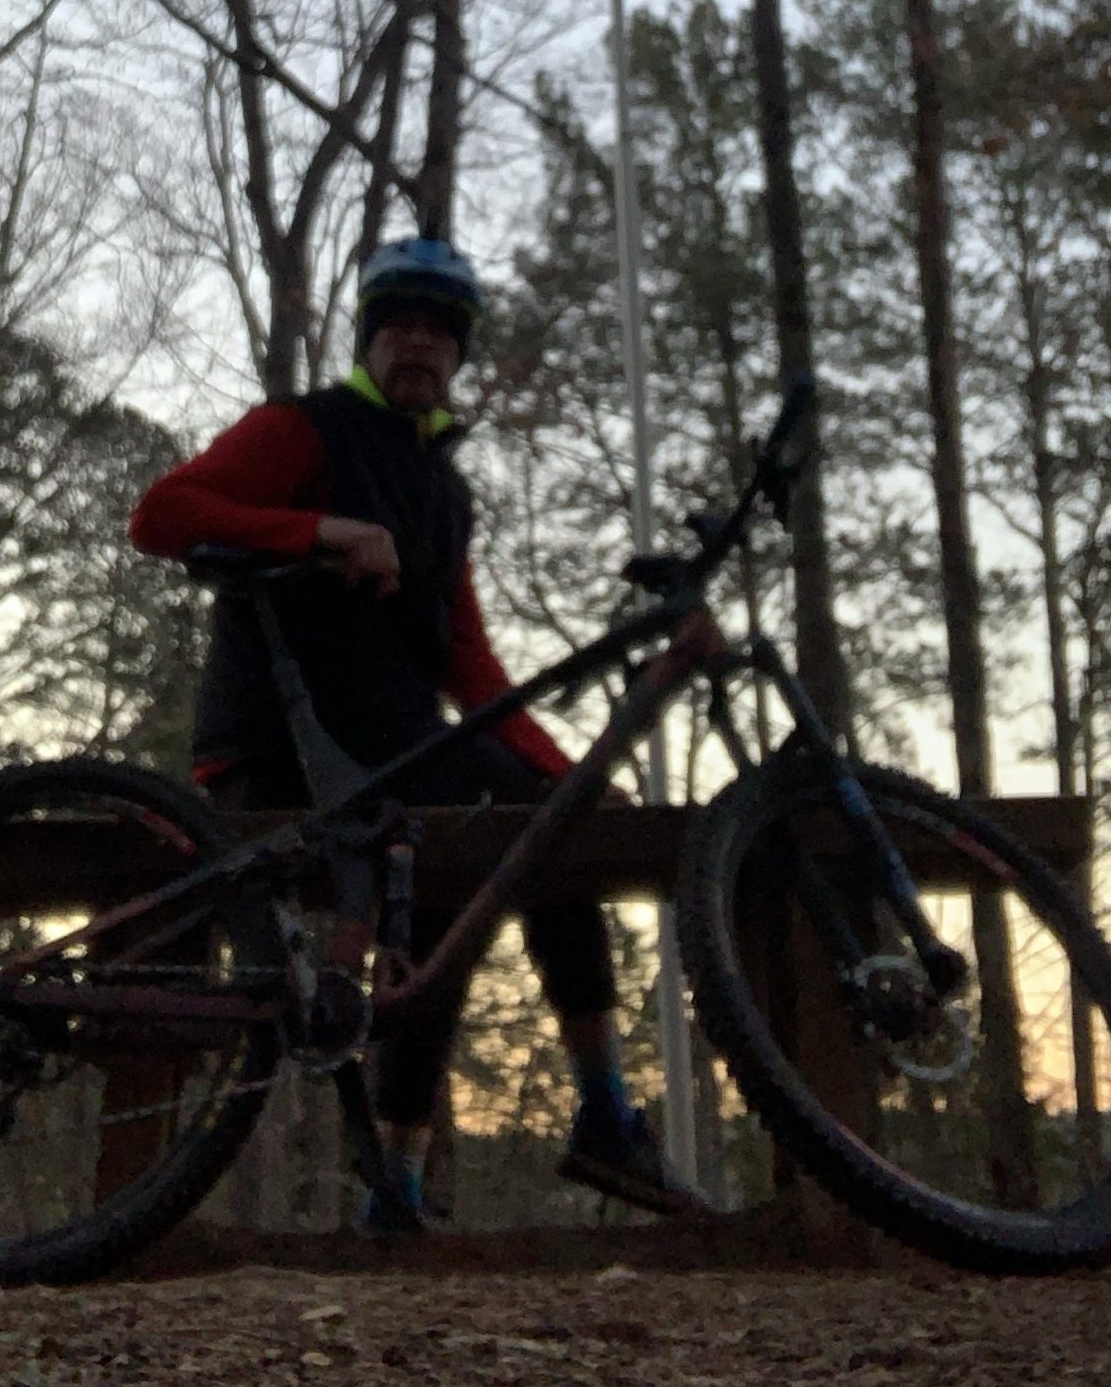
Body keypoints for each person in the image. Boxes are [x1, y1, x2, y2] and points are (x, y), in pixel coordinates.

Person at [129, 234, 702, 1234]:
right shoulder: (305, 429)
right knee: (539, 844)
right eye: (398, 324)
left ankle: (393, 1187)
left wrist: (567, 775)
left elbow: (471, 666)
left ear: (459, 357)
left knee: (463, 903)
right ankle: (606, 1116)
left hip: (395, 753)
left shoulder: (447, 489)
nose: (417, 344)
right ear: (368, 338)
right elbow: (161, 514)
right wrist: (324, 531)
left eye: (440, 332)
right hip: (286, 746)